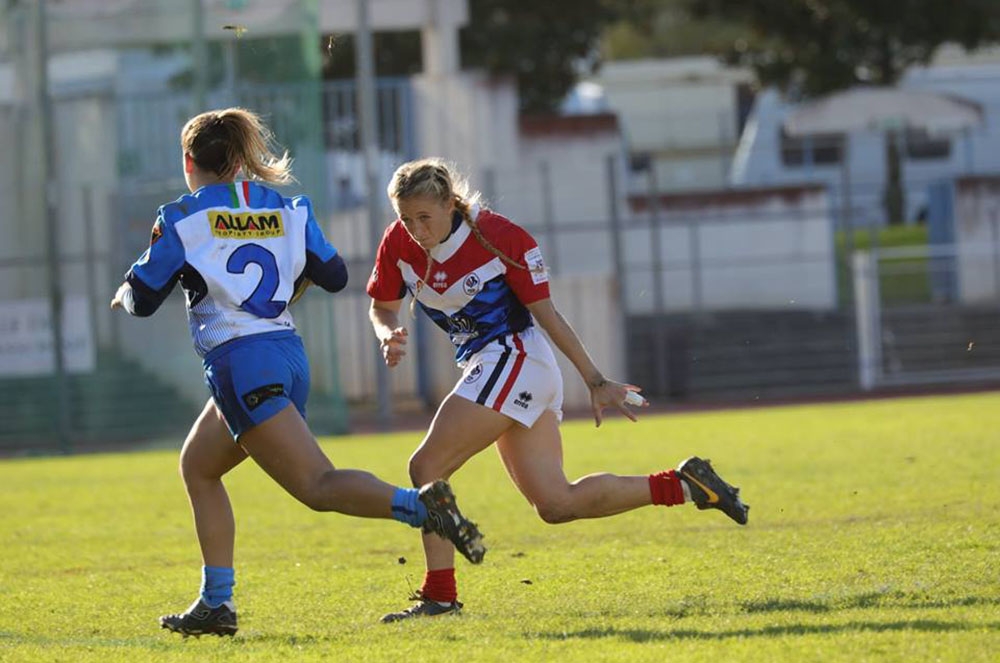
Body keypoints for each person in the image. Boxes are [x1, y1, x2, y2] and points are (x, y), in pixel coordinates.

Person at [110, 110, 485, 638]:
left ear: (189, 162)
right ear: (241, 160)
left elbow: (145, 299)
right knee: (198, 465)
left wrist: (124, 294)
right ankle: (216, 604)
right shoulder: (290, 207)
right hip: (285, 355)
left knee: (317, 486)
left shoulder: (181, 217)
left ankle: (423, 509)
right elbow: (333, 275)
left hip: (241, 363)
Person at [367, 158, 749, 623]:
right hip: (498, 367)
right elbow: (383, 306)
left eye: (424, 217)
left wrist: (595, 379)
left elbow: (547, 314)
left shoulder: (500, 236)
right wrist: (387, 332)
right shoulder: (398, 243)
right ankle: (686, 486)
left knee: (426, 466)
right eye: (406, 218)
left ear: (450, 203)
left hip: (515, 358)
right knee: (555, 504)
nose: (415, 229)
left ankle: (440, 597)